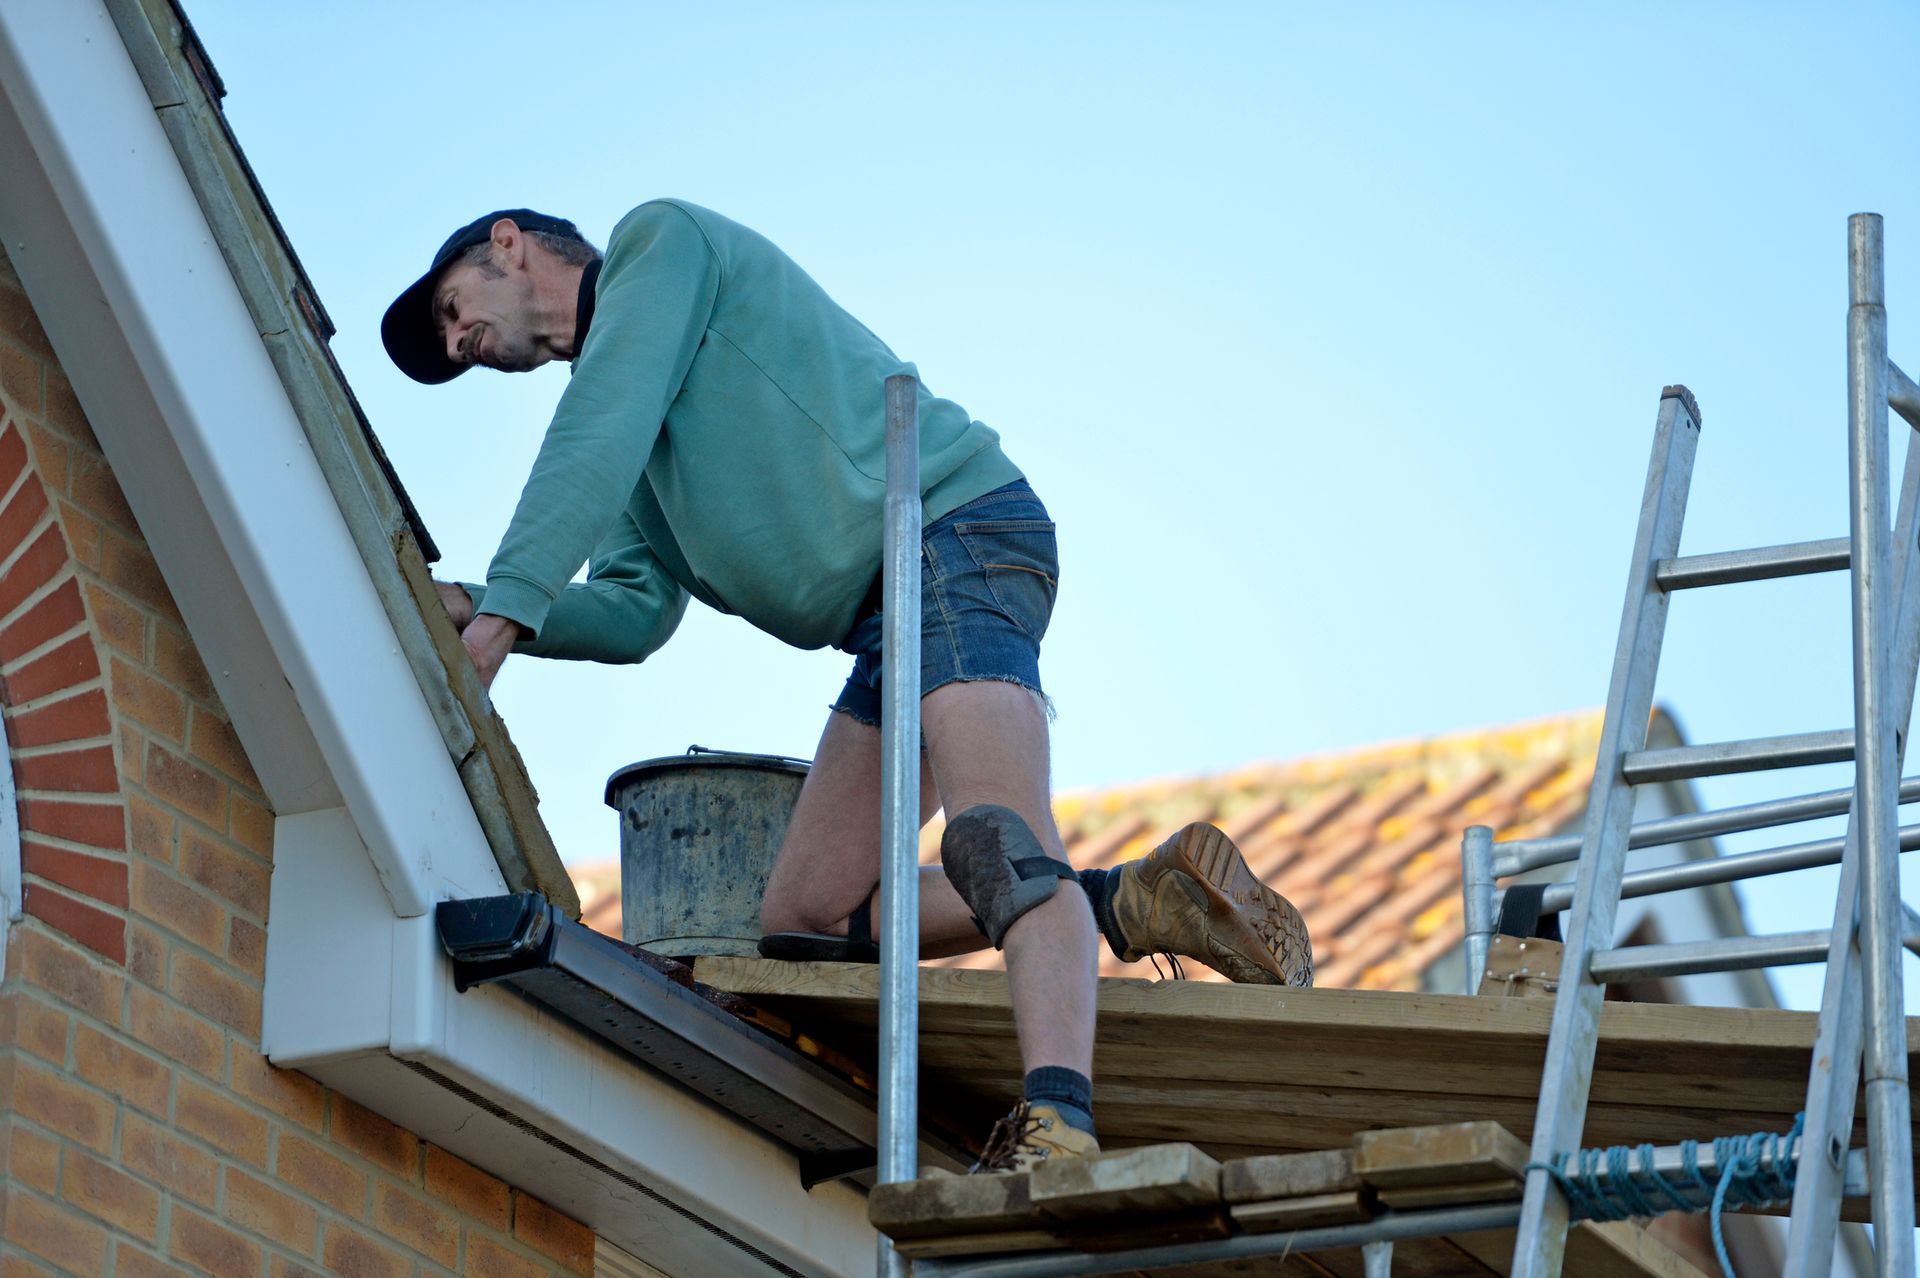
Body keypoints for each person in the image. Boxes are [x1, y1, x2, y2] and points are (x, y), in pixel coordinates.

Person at [382, 200, 1312, 1173]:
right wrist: (477, 603)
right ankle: (1138, 901)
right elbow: (629, 612)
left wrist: (505, 613)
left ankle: (1059, 1126)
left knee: (997, 836)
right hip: (888, 615)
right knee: (806, 918)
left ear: (507, 245)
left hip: (953, 534)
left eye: (452, 310)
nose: (460, 343)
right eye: (450, 346)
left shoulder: (660, 249)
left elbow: (600, 419)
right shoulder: (632, 438)